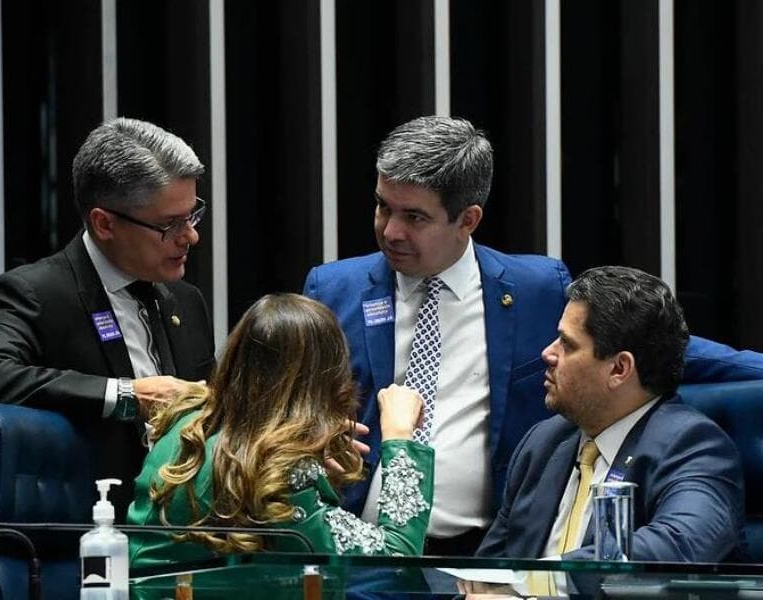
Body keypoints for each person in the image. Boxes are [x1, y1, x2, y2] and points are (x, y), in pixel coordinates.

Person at [303, 115, 763, 556]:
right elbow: (286, 418)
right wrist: (309, 449)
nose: (391, 231)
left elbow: (649, 346)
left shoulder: (534, 289)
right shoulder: (332, 291)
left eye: (414, 217)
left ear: (468, 219)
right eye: (383, 207)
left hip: (484, 553)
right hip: (361, 552)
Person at [0, 117, 215, 516]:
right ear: (104, 223)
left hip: (185, 529)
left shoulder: (186, 301)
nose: (191, 236)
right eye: (170, 224)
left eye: (192, 215)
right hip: (92, 532)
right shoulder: (39, 293)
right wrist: (128, 396)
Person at [467, 266, 744, 595]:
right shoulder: (543, 443)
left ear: (619, 368)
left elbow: (680, 544)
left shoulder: (693, 447)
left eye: (567, 344)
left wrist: (533, 583)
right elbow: (488, 571)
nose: (548, 353)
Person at [127, 293, 433, 574]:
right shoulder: (284, 470)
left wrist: (309, 448)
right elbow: (396, 556)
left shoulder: (186, 419)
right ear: (326, 381)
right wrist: (399, 437)